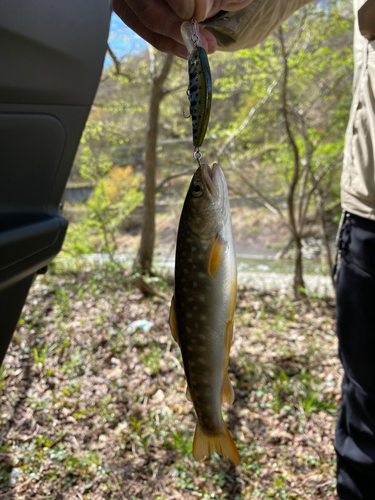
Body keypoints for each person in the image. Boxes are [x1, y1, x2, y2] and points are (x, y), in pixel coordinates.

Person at [113, 1, 375, 498]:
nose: (204, 183)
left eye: (198, 193)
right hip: (370, 210)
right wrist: (220, 12)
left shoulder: (211, 236)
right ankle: (211, 421)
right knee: (369, 426)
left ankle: (210, 423)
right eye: (198, 193)